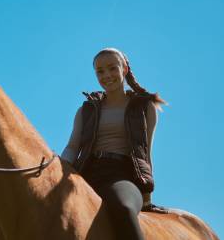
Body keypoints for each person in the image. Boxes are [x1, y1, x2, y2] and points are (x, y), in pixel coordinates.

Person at [61, 47, 167, 240]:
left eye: (112, 68)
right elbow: (72, 147)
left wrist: (146, 194)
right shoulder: (86, 110)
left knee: (124, 208)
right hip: (85, 174)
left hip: (122, 175)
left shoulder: (144, 107)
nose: (106, 75)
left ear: (124, 69)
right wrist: (58, 170)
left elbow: (146, 153)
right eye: (100, 71)